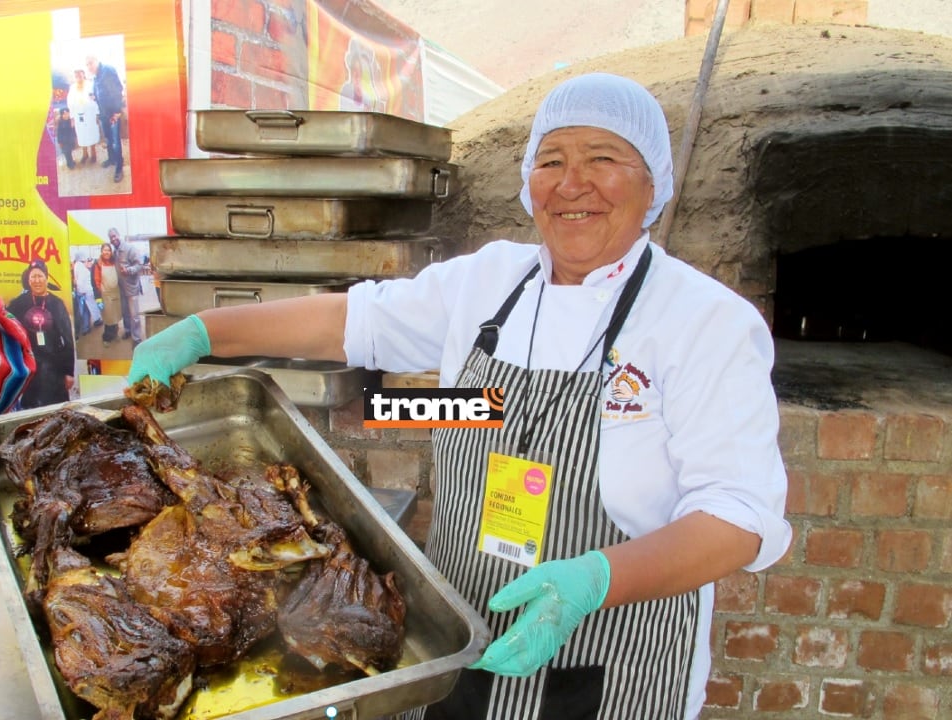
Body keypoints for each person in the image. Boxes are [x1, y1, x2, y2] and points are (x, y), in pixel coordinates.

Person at [128, 73, 792, 720]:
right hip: (458, 641)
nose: (571, 184)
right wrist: (204, 330)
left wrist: (593, 582)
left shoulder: (704, 321)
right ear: (528, 182)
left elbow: (738, 517)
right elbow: (349, 322)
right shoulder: (489, 281)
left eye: (603, 158)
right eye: (551, 160)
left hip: (608, 664)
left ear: (652, 184)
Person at [7, 260, 75, 409]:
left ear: (46, 278)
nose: (37, 281)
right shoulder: (19, 303)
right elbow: (6, 323)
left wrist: (69, 372)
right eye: (33, 277)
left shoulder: (57, 303)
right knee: (31, 411)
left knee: (57, 410)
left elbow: (68, 340)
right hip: (30, 366)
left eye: (40, 276)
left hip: (54, 367)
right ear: (28, 280)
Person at [85, 53, 125, 183]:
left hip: (113, 114)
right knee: (108, 139)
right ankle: (111, 159)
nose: (89, 66)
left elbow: (118, 89)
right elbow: (100, 93)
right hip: (103, 114)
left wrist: (118, 111)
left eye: (90, 63)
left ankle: (119, 168)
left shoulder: (108, 70)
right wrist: (94, 96)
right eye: (87, 64)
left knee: (115, 143)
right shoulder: (95, 77)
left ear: (97, 61)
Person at [108, 227, 142, 346]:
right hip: (121, 288)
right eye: (111, 238)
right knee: (125, 312)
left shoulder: (129, 248)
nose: (113, 239)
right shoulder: (115, 252)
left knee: (134, 315)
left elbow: (139, 264)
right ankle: (128, 330)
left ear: (118, 235)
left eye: (114, 236)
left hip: (131, 287)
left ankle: (137, 338)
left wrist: (128, 270)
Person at [66, 68, 100, 165]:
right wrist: (72, 117)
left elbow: (95, 99)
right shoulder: (72, 88)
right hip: (78, 115)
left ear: (83, 75)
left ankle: (93, 153)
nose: (79, 77)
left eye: (80, 75)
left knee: (92, 132)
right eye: (76, 76)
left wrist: (97, 114)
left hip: (90, 114)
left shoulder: (90, 85)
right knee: (82, 134)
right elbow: (70, 103)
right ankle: (85, 154)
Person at [92, 242, 123, 346]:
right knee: (108, 318)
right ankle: (106, 338)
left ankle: (115, 334)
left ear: (111, 252)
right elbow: (95, 281)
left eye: (108, 250)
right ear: (101, 251)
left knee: (116, 316)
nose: (107, 252)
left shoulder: (114, 262)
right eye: (105, 250)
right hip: (105, 294)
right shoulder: (97, 263)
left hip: (116, 293)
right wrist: (98, 298)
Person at [71, 252, 101, 338]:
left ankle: (86, 327)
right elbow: (80, 281)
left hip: (83, 292)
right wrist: (81, 292)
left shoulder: (77, 266)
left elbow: (77, 280)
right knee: (86, 310)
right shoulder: (80, 267)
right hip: (85, 292)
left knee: (85, 310)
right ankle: (86, 327)